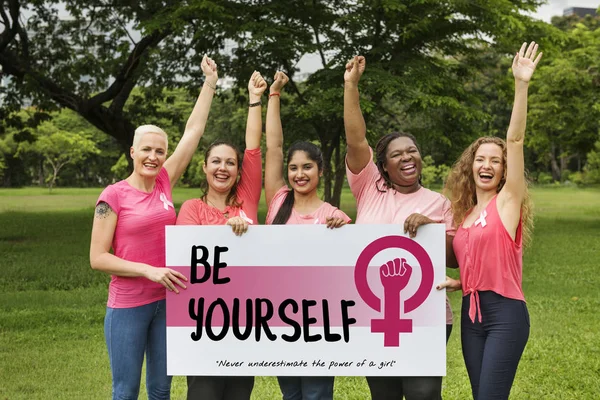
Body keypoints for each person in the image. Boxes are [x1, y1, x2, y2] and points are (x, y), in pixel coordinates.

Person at [89, 55, 219, 399]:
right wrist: (148, 271)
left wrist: (209, 83)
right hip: (128, 306)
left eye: (159, 151)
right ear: (132, 151)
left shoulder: (164, 182)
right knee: (126, 389)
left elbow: (193, 132)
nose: (153, 156)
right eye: (146, 149)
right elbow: (98, 258)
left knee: (162, 389)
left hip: (168, 301)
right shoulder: (113, 195)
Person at [343, 55, 457, 400]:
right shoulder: (370, 188)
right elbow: (355, 139)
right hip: (371, 314)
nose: (407, 157)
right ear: (383, 166)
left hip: (426, 315)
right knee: (384, 396)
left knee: (423, 394)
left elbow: (453, 259)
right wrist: (351, 86)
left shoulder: (440, 203)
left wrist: (430, 227)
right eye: (397, 154)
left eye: (413, 151)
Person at [441, 41, 541, 400]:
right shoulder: (465, 215)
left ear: (503, 171)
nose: (486, 165)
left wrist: (521, 83)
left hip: (504, 315)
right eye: (480, 159)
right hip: (471, 314)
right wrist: (461, 282)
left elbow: (514, 139)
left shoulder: (508, 202)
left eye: (495, 161)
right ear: (471, 165)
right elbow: (476, 258)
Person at [176, 70, 267, 400]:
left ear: (238, 170)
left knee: (239, 393)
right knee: (204, 392)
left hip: (245, 319)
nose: (223, 168)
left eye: (230, 162)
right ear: (204, 166)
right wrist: (224, 231)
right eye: (216, 161)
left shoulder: (246, 199)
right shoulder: (190, 209)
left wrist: (254, 99)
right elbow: (188, 257)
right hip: (203, 321)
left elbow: (253, 148)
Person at [265, 71, 350, 400]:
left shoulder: (335, 216)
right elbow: (273, 147)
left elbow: (350, 268)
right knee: (290, 394)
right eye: (293, 168)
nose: (299, 174)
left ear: (321, 169)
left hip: (320, 321)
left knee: (316, 394)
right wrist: (274, 95)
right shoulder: (277, 201)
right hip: (279, 317)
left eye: (307, 167)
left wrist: (346, 234)